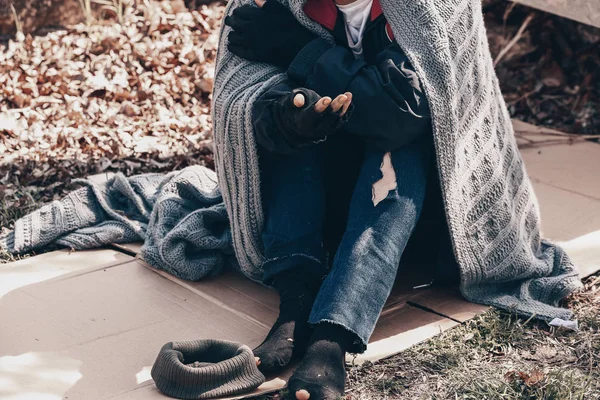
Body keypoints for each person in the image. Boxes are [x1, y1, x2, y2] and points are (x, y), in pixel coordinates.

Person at [225, 0, 438, 398]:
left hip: (414, 211)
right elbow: (241, 106)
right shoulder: (282, 5)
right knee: (300, 120)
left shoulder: (431, 7)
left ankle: (332, 336)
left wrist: (300, 51)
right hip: (327, 196)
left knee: (398, 145)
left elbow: (404, 112)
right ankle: (297, 302)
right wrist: (288, 116)